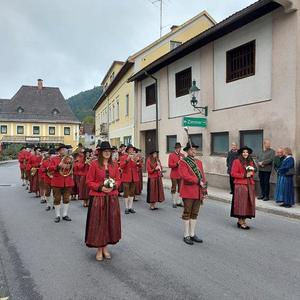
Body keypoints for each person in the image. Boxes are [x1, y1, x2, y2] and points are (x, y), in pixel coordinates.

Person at [85, 141, 121, 261]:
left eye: (109, 151)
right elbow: (89, 181)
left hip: (112, 197)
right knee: (99, 223)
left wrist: (114, 186)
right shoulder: (94, 165)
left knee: (109, 223)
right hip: (98, 198)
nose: (107, 153)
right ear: (100, 152)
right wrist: (100, 188)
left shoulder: (114, 164)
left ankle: (105, 247)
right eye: (105, 151)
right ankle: (99, 249)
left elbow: (118, 180)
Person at [179, 143, 207, 245]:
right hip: (188, 191)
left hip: (198, 191)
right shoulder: (183, 162)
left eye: (195, 149)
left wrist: (205, 190)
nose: (194, 151)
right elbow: (184, 176)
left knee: (195, 213)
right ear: (187, 151)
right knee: (187, 212)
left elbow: (203, 176)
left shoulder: (199, 162)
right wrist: (197, 180)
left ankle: (192, 234)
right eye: (192, 149)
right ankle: (186, 235)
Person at [231, 146, 256, 230]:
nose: (245, 154)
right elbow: (233, 173)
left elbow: (253, 172)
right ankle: (240, 221)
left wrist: (252, 173)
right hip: (240, 185)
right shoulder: (236, 161)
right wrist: (244, 175)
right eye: (244, 152)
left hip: (250, 184)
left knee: (248, 204)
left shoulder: (250, 162)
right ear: (241, 153)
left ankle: (243, 220)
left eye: (247, 152)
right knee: (241, 204)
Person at [48, 144, 74, 223]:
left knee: (66, 199)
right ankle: (57, 215)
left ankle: (65, 214)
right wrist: (58, 166)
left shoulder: (69, 158)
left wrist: (69, 164)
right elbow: (49, 168)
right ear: (59, 151)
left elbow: (73, 168)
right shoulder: (54, 159)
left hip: (67, 181)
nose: (64, 151)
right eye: (62, 149)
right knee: (57, 199)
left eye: (65, 149)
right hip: (57, 182)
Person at [120, 144, 141, 214]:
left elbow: (139, 166)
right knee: (126, 193)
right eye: (130, 149)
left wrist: (138, 161)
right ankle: (126, 207)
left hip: (134, 177)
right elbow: (122, 166)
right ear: (128, 150)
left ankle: (130, 207)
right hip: (126, 177)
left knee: (132, 192)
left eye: (132, 149)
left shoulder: (135, 157)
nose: (132, 150)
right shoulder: (123, 157)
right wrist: (127, 160)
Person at [168, 142, 185, 208]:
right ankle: (174, 202)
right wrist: (177, 163)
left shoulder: (182, 155)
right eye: (177, 148)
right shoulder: (171, 155)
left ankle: (179, 201)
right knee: (174, 188)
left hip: (181, 174)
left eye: (180, 148)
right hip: (174, 174)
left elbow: (184, 165)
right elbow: (169, 165)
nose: (179, 149)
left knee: (180, 188)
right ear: (175, 148)